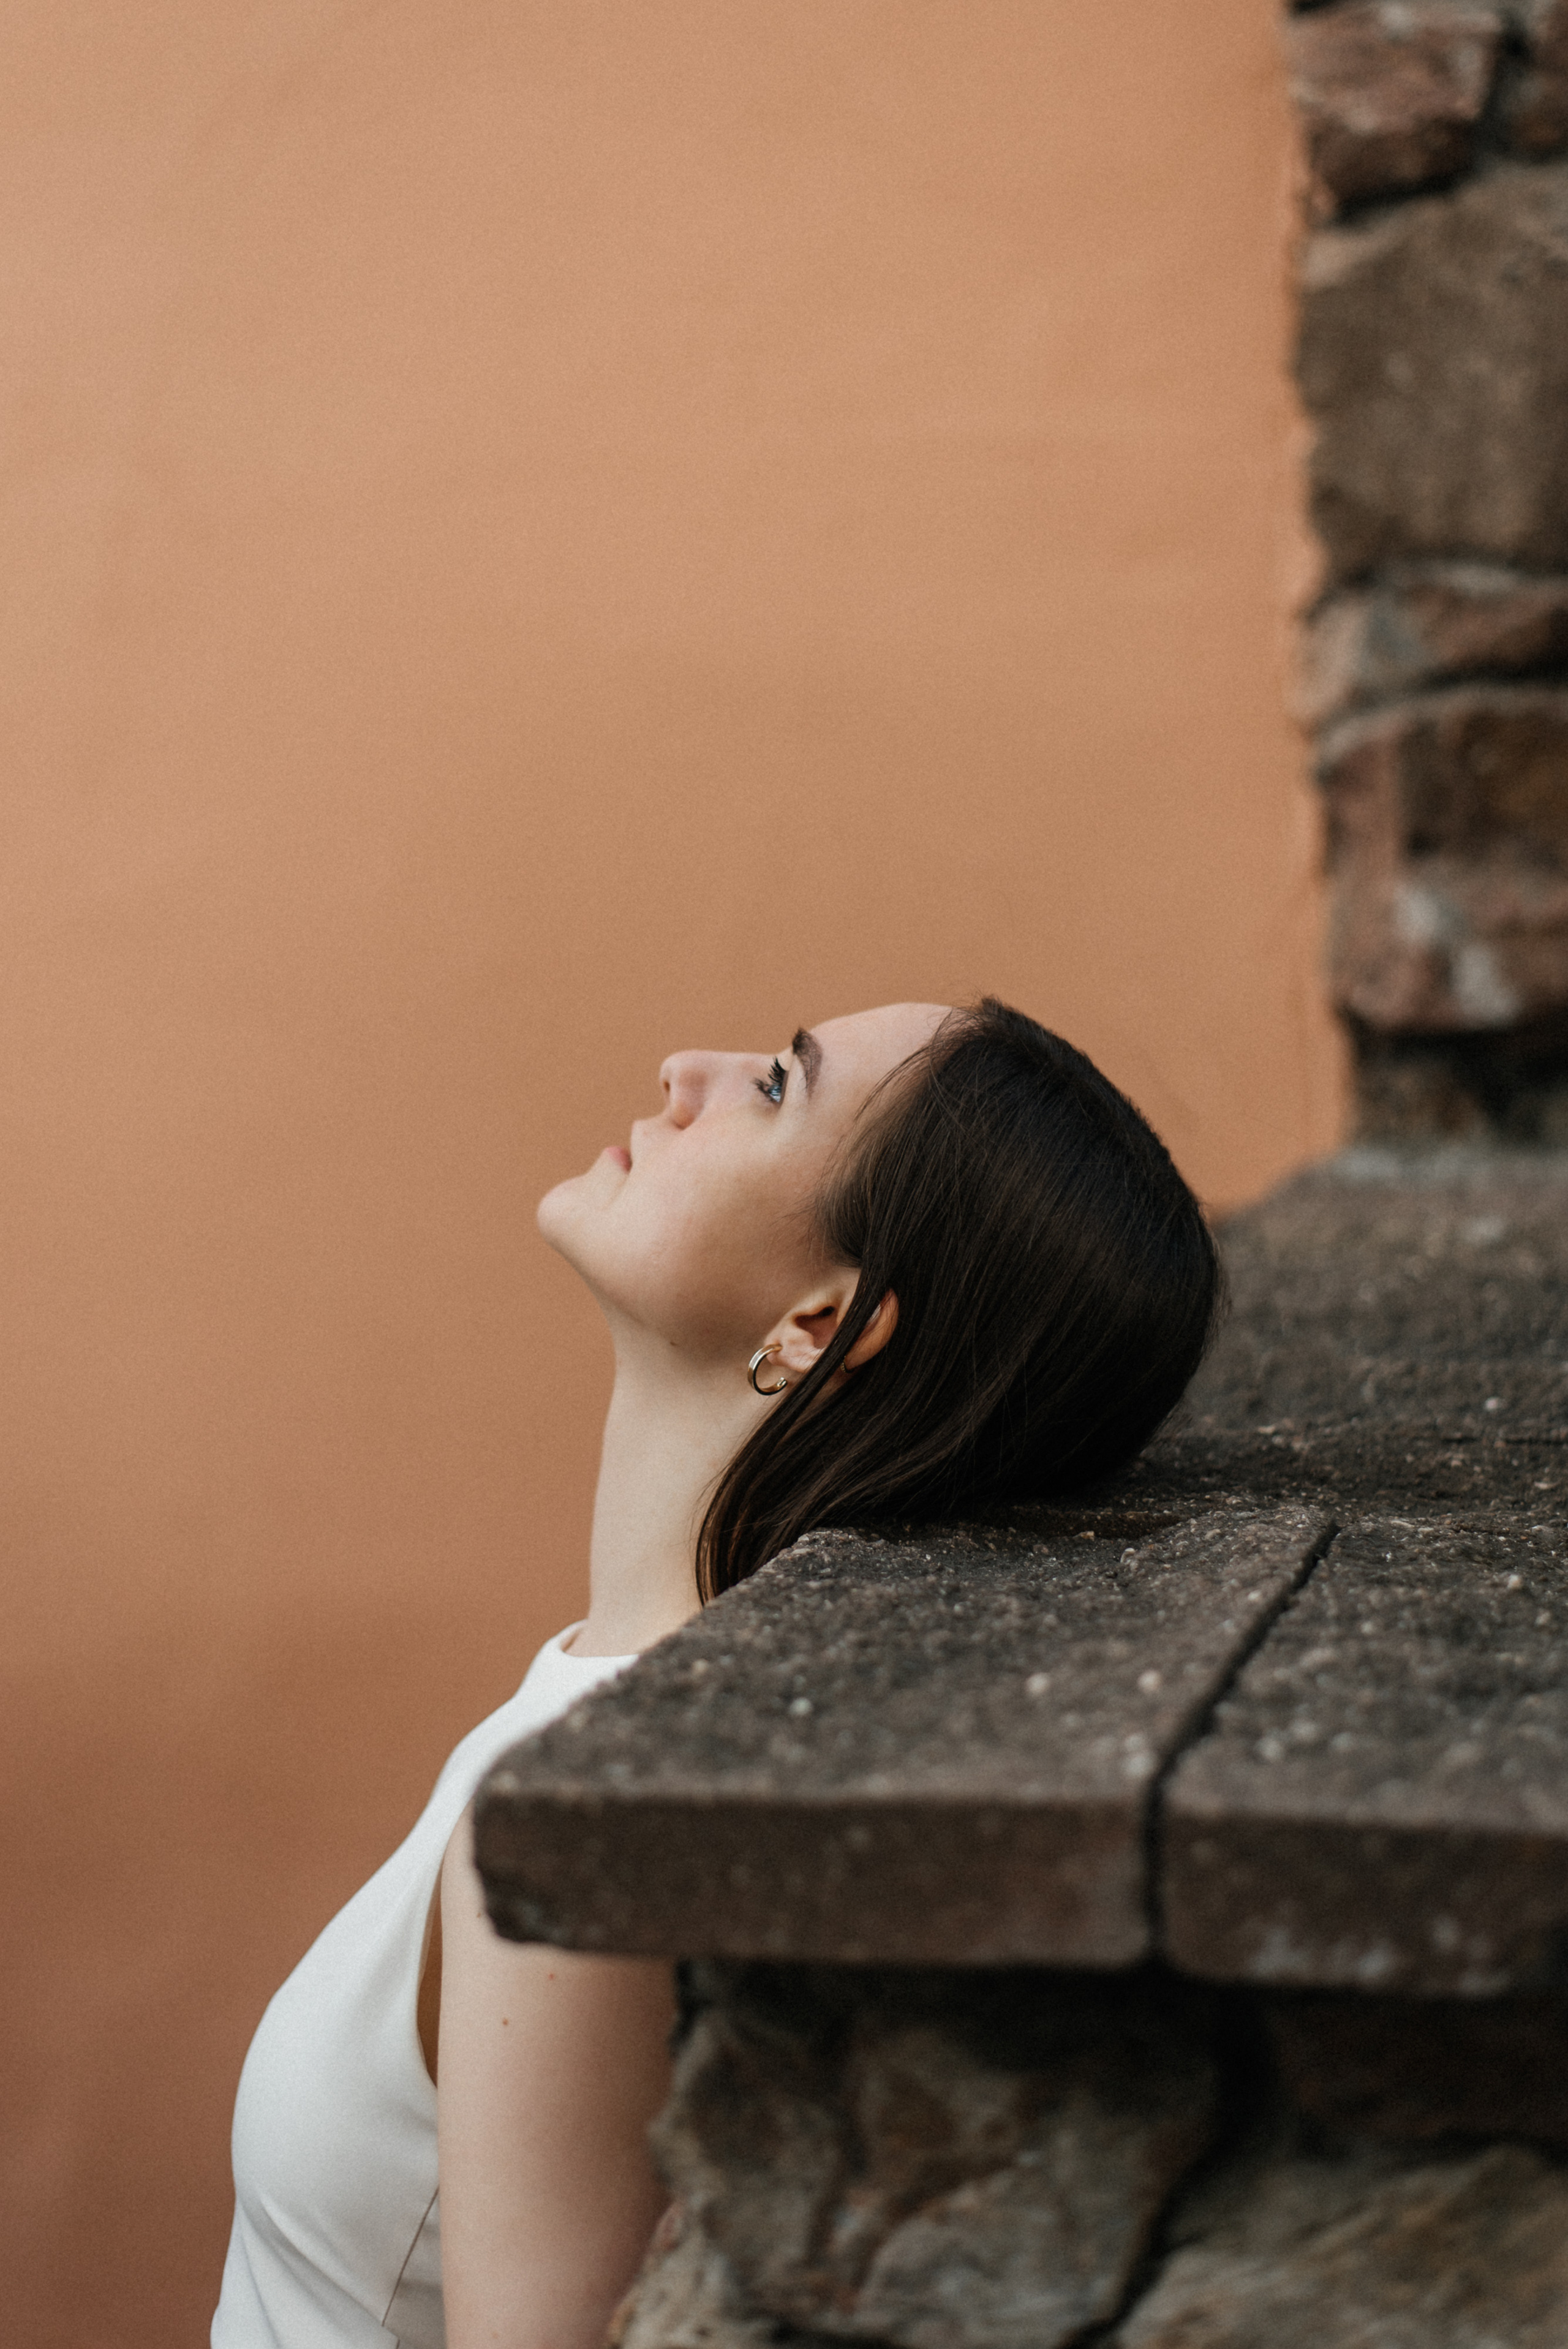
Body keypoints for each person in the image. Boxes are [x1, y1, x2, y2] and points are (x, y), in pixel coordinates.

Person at [212, 997, 1223, 2349]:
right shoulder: (618, 1706)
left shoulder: (593, 1821)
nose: (684, 1071)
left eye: (776, 1087)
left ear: (820, 1321)